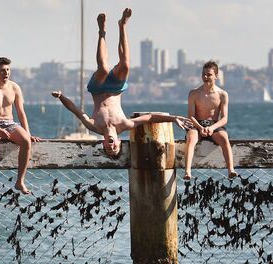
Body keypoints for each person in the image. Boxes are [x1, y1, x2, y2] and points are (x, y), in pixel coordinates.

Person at [52, 9, 191, 156]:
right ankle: (122, 25)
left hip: (97, 88)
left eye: (108, 148)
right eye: (115, 148)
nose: (111, 147)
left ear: (104, 143)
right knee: (125, 65)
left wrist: (61, 96)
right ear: (119, 142)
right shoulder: (125, 124)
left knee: (104, 68)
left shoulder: (94, 126)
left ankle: (102, 32)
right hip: (116, 88)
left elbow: (76, 111)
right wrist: (174, 118)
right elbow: (150, 117)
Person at [0, 57, 41, 197]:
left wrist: (28, 133)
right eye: (2, 70)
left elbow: (21, 112)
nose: (6, 73)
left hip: (10, 124)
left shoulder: (14, 87)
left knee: (26, 141)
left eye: (8, 70)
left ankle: (20, 181)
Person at [184, 61, 238, 180]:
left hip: (214, 125)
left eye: (209, 74)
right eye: (203, 74)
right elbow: (190, 116)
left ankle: (231, 170)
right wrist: (200, 128)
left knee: (224, 138)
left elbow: (224, 119)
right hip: (197, 124)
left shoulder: (222, 94)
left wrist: (212, 128)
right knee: (191, 137)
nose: (205, 77)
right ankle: (187, 171)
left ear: (216, 76)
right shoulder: (194, 93)